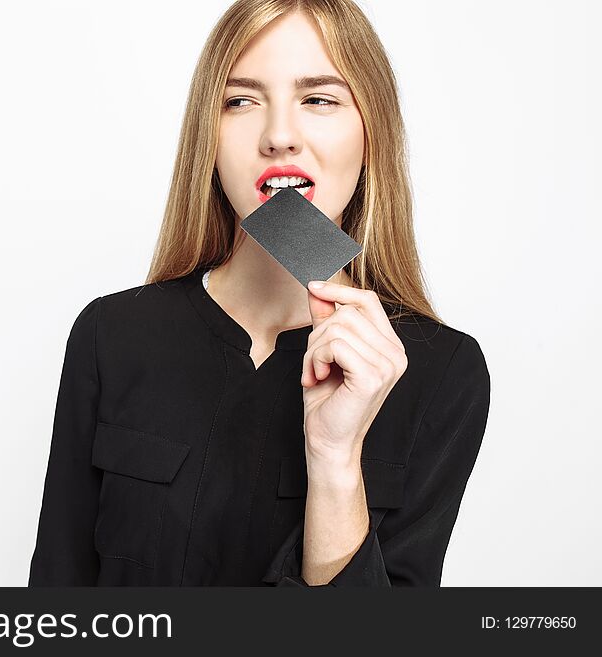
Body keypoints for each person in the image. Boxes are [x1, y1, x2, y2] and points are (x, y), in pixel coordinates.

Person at [28, 0, 491, 587]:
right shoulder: (113, 334)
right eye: (240, 101)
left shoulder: (441, 371)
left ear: (372, 133)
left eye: (318, 99)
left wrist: (335, 460)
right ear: (209, 137)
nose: (278, 135)